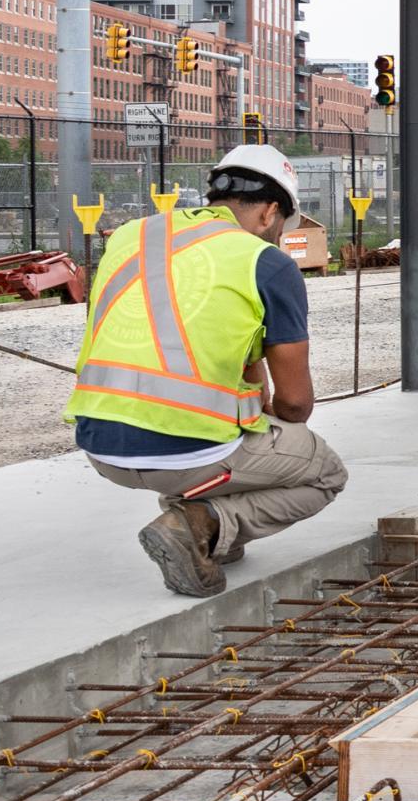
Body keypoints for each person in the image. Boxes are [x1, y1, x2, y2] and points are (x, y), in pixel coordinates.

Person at [65, 144, 346, 597]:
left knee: (231, 432)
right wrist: (272, 429)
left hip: (99, 445)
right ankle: (203, 520)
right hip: (182, 455)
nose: (275, 237)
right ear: (270, 212)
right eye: (278, 228)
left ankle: (210, 537)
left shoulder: (129, 237)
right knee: (325, 472)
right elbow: (294, 404)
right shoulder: (266, 263)